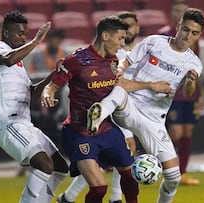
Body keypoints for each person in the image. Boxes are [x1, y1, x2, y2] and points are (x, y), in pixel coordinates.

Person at [87, 8, 204, 203]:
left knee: (173, 176)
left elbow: (187, 93)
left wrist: (191, 82)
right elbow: (128, 60)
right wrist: (121, 70)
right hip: (130, 106)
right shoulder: (155, 42)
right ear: (178, 26)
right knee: (119, 89)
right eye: (185, 29)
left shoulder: (194, 63)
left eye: (194, 33)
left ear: (199, 35)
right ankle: (98, 115)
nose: (187, 35)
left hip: (154, 120)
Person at [41, 16, 139, 203]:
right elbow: (52, 85)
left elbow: (124, 86)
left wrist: (153, 86)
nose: (122, 44)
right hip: (80, 132)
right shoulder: (76, 60)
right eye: (120, 38)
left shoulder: (115, 62)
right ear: (105, 35)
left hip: (108, 129)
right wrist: (47, 94)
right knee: (100, 188)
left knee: (130, 179)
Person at [0, 10, 68, 203]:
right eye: (20, 33)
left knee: (59, 168)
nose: (24, 37)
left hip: (24, 124)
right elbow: (8, 59)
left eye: (25, 34)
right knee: (44, 165)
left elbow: (32, 92)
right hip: (8, 124)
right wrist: (37, 41)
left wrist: (53, 74)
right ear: (6, 33)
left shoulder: (20, 62)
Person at [159, 0, 204, 185]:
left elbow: (197, 67)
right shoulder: (164, 35)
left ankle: (183, 173)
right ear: (171, 13)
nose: (180, 13)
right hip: (171, 93)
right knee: (175, 132)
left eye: (183, 11)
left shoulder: (194, 37)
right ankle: (169, 170)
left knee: (187, 131)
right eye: (177, 10)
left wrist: (201, 94)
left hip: (190, 92)